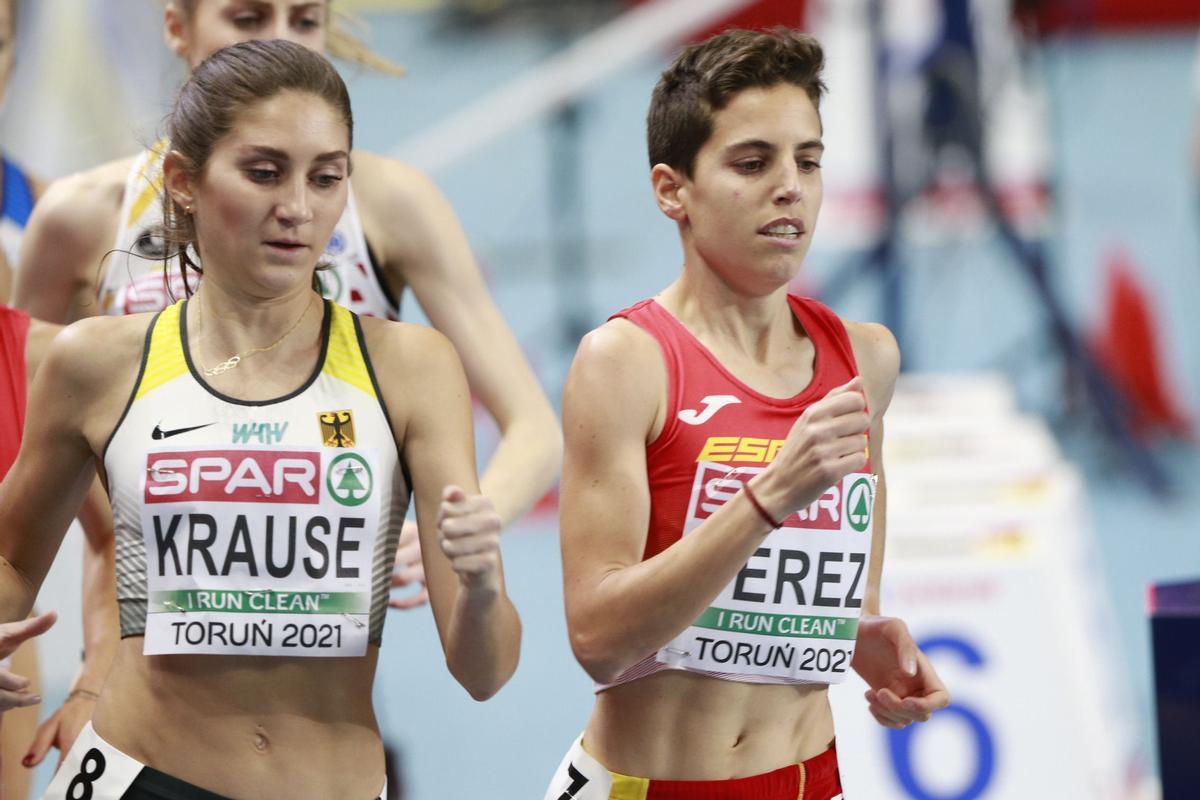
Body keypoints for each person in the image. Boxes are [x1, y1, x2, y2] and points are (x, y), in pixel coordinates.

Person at [12, 0, 558, 767]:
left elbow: (533, 425)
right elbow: (23, 459)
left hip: (324, 660)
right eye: (246, 17)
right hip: (139, 692)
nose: (277, 40)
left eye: (305, 20)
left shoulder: (388, 215)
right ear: (178, 26)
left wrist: (457, 537)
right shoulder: (80, 224)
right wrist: (91, 671)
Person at [544, 28, 949, 799]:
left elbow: (841, 586)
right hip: (651, 783)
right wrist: (765, 498)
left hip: (808, 779)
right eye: (752, 163)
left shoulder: (866, 362)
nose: (790, 188)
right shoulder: (626, 364)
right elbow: (597, 640)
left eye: (809, 160)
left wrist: (862, 632)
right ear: (673, 191)